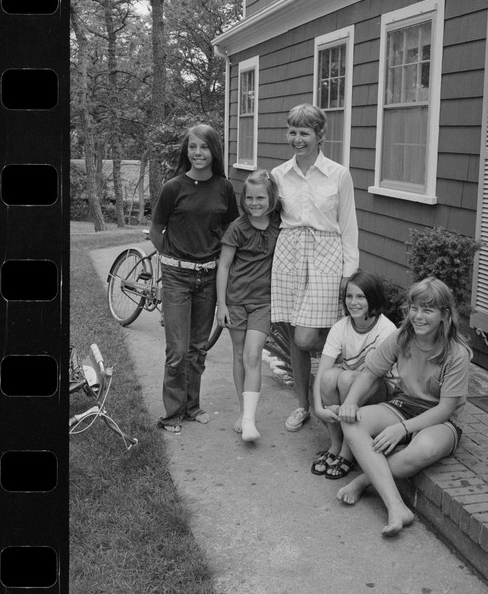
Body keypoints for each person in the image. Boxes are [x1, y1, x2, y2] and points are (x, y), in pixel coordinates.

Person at [335, 277, 471, 537]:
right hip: (404, 404)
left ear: (444, 315)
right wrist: (350, 402)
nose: (418, 316)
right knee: (352, 421)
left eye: (428, 310)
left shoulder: (457, 353)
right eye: (415, 308)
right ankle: (396, 506)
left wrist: (402, 429)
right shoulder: (402, 337)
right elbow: (369, 374)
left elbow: (445, 409)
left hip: (442, 420)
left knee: (424, 449)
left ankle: (365, 480)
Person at [270, 103, 359, 432]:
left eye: (304, 132)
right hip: (289, 254)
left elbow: (348, 226)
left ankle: (351, 366)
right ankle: (303, 406)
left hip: (326, 256)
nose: (297, 138)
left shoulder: (338, 174)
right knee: (295, 336)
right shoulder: (278, 175)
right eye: (292, 131)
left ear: (320, 135)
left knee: (308, 337)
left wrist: (349, 271)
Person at [149, 124, 239, 434]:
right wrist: (171, 258)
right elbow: (155, 229)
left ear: (214, 151)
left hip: (210, 278)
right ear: (186, 152)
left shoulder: (224, 188)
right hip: (177, 277)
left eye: (203, 147)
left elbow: (230, 232)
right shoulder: (173, 187)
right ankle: (172, 414)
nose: (197, 153)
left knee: (198, 349)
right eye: (192, 147)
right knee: (177, 350)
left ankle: (192, 406)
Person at [311, 270, 397, 479]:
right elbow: (322, 371)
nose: (353, 302)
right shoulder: (341, 327)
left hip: (380, 390)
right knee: (330, 377)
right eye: (349, 296)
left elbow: (372, 376)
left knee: (347, 377)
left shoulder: (386, 329)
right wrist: (318, 407)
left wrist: (343, 403)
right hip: (349, 387)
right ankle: (336, 445)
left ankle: (348, 453)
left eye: (361, 297)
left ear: (373, 298)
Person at [216, 170, 281, 442]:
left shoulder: (280, 225)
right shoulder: (238, 228)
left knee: (253, 355)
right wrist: (222, 305)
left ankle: (250, 420)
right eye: (250, 198)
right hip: (236, 301)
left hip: (264, 302)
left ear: (272, 198)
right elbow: (224, 265)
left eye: (261, 198)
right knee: (240, 353)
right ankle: (244, 413)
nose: (255, 203)